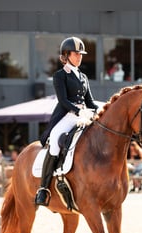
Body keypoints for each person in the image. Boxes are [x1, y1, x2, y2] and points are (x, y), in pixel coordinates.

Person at [35, 37, 99, 206]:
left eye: (81, 54)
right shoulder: (60, 75)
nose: (79, 57)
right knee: (55, 141)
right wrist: (79, 110)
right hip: (67, 116)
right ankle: (43, 188)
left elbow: (90, 101)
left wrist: (100, 111)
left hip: (84, 116)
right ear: (66, 55)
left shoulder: (83, 76)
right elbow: (63, 100)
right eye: (76, 53)